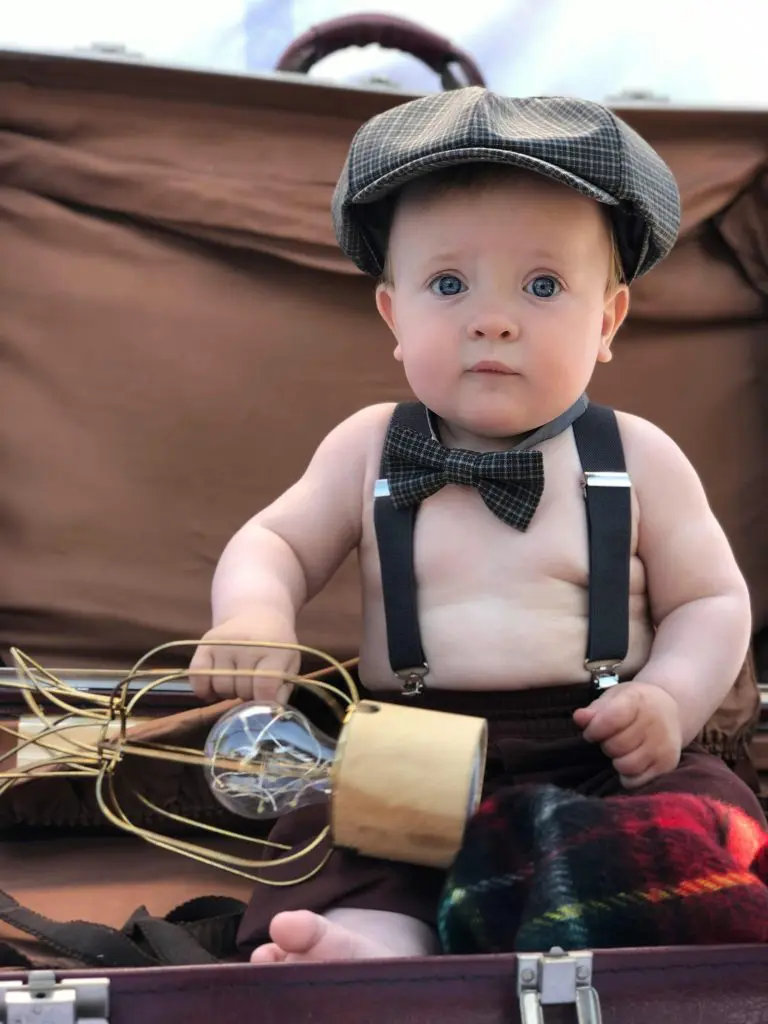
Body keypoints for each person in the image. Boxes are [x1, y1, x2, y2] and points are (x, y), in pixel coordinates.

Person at [188, 88, 765, 963]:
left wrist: (672, 701)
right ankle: (374, 952)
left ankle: (615, 931)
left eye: (543, 285)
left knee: (688, 823)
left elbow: (714, 600)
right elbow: (274, 543)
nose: (492, 319)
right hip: (407, 748)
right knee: (348, 845)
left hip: (598, 750)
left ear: (607, 320)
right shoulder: (368, 447)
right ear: (394, 314)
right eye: (448, 283)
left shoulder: (638, 456)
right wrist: (255, 617)